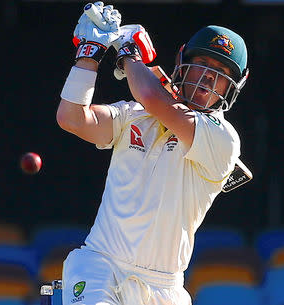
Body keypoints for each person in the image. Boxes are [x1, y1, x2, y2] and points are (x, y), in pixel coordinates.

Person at [56, 2, 249, 304]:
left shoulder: (223, 140)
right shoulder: (134, 115)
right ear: (182, 61)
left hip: (163, 287)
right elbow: (72, 118)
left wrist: (127, 54)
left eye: (221, 72)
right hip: (100, 263)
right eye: (203, 63)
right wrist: (89, 55)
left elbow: (150, 95)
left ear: (233, 86)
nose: (209, 77)